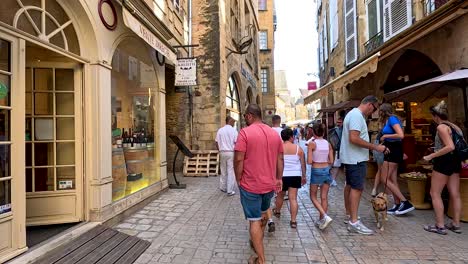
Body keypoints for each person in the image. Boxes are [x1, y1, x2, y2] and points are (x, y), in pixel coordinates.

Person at [234, 104, 284, 264]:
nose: (244, 120)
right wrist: (278, 178)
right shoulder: (274, 134)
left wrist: (238, 178)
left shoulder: (244, 133)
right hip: (268, 184)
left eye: (244, 117)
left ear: (249, 116)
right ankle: (257, 247)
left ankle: (261, 259)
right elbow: (280, 159)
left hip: (250, 184)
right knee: (263, 214)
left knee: (254, 219)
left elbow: (238, 159)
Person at [340, 95, 387, 235]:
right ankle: (354, 222)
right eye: (374, 109)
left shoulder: (353, 114)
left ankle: (350, 215)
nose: (372, 113)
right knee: (357, 188)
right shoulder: (356, 116)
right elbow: (354, 138)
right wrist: (375, 147)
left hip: (352, 158)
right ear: (370, 105)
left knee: (349, 186)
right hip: (356, 159)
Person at [423, 101, 462, 235]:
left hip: (443, 162)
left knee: (435, 193)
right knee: (455, 193)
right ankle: (456, 224)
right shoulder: (455, 127)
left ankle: (440, 226)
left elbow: (450, 146)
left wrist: (431, 155)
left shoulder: (441, 127)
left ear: (436, 116)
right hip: (455, 161)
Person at [378, 103, 414, 215]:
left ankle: (405, 202)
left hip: (393, 151)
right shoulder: (390, 120)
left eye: (380, 111)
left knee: (384, 178)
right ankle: (398, 204)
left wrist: (385, 136)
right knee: (392, 179)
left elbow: (401, 135)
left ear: (383, 111)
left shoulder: (392, 119)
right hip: (392, 149)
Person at [273, 128, 306, 228]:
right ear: (292, 137)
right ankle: (293, 221)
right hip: (295, 175)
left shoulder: (279, 148)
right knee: (293, 198)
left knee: (280, 195)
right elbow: (303, 164)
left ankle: (277, 211)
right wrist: (304, 176)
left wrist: (275, 177)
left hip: (282, 175)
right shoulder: (298, 149)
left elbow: (276, 164)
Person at [308, 123, 334, 229]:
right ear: (323, 132)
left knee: (313, 196)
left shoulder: (312, 144)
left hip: (316, 170)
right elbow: (331, 160)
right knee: (324, 197)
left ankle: (324, 216)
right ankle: (321, 220)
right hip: (326, 170)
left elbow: (309, 161)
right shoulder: (328, 144)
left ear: (313, 132)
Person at [215, 116, 238, 195]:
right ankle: (230, 190)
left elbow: (217, 142)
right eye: (233, 122)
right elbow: (236, 142)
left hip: (222, 152)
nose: (234, 124)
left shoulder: (220, 130)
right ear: (230, 121)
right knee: (230, 171)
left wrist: (219, 150)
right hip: (231, 152)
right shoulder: (234, 131)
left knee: (223, 170)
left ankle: (223, 187)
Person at [329, 117, 344, 187]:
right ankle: (333, 179)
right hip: (336, 150)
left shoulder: (344, 130)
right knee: (335, 165)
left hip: (340, 150)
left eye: (340, 122)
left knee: (336, 165)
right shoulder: (335, 130)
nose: (338, 124)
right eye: (337, 122)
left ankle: (333, 179)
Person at [371, 131, 385, 197]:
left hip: (377, 144)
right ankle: (389, 193)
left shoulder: (384, 126)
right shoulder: (392, 123)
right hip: (383, 146)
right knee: (386, 172)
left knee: (380, 170)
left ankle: (374, 189)